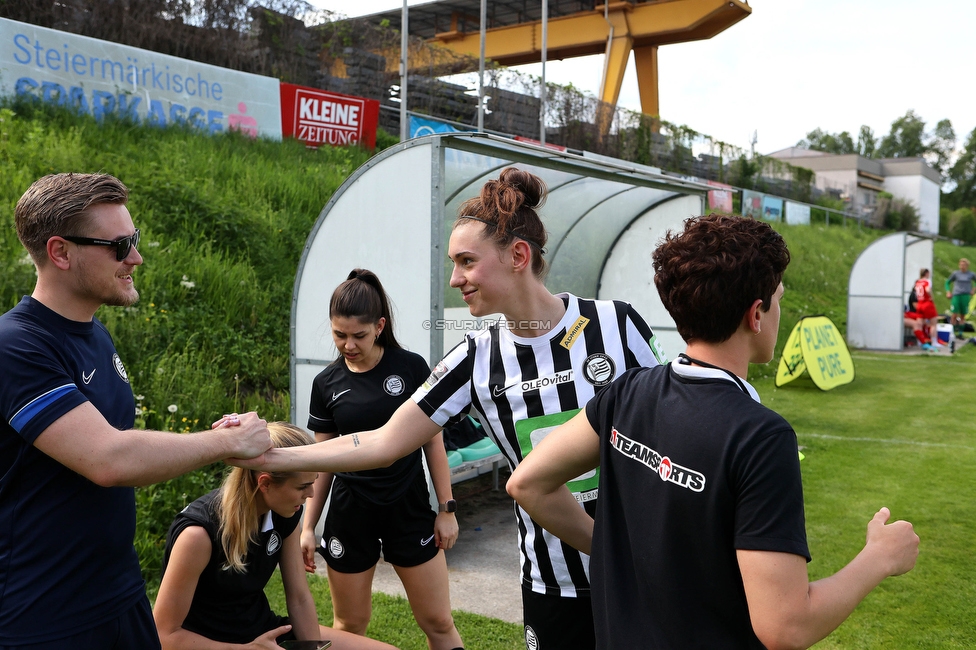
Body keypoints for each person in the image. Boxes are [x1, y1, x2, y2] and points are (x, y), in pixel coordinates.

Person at [226, 167, 666, 650]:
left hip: (640, 566)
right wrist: (274, 456)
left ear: (518, 256)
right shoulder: (473, 357)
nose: (455, 278)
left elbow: (669, 436)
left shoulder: (615, 326)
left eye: (466, 262)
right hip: (551, 582)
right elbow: (384, 441)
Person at [506, 214, 920, 649]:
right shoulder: (759, 437)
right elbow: (786, 626)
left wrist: (613, 550)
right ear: (756, 314)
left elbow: (527, 482)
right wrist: (878, 558)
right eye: (776, 298)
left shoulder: (627, 392)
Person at [0, 173, 272, 649]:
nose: (136, 257)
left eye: (135, 239)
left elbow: (115, 444)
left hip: (119, 597)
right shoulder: (16, 346)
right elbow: (109, 459)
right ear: (61, 252)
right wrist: (227, 442)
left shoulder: (94, 334)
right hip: (44, 617)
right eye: (120, 244)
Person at [300, 269, 463, 650]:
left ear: (379, 326)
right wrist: (310, 526)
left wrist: (447, 508)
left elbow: (433, 444)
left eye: (358, 335)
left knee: (438, 621)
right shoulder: (326, 384)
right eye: (339, 335)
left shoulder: (410, 368)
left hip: (408, 507)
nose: (348, 344)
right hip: (350, 512)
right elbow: (324, 460)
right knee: (349, 624)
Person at [153, 421, 393, 650]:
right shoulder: (199, 535)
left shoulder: (285, 513)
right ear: (265, 483)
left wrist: (311, 647)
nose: (310, 494)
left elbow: (299, 598)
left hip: (262, 633)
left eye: (313, 482)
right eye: (302, 487)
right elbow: (164, 636)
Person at [945, 258, 976, 337]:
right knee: (954, 314)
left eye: (964, 265)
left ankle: (960, 333)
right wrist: (948, 292)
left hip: (965, 295)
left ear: (967, 266)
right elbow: (947, 282)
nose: (962, 266)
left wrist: (973, 289)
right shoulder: (956, 274)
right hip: (956, 295)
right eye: (961, 264)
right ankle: (951, 332)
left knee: (963, 315)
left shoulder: (971, 274)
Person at [913, 268, 940, 349]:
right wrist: (932, 296)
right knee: (933, 324)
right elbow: (927, 290)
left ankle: (920, 342)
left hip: (920, 303)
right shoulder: (927, 281)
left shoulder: (917, 282)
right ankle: (934, 342)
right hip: (927, 303)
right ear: (927, 273)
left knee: (919, 324)